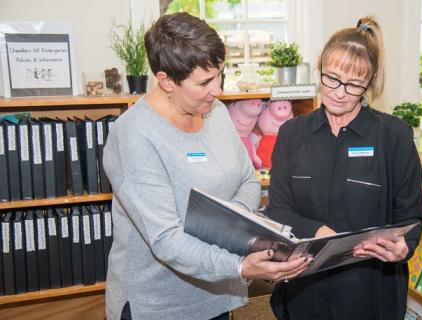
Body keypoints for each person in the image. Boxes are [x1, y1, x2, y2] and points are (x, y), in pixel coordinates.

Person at [103, 13, 308, 320]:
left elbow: (248, 180)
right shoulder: (132, 136)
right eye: (205, 82)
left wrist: (227, 223)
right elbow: (166, 239)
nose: (219, 90)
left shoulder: (217, 114)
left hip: (217, 295)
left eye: (220, 75)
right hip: (160, 305)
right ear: (166, 81)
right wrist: (239, 265)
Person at [267, 15, 422, 319]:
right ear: (319, 66)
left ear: (371, 81)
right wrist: (321, 233)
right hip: (303, 292)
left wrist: (404, 246)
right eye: (332, 79)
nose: (340, 92)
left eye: (354, 85)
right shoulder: (292, 134)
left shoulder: (394, 136)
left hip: (369, 295)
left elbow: (412, 217)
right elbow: (278, 211)